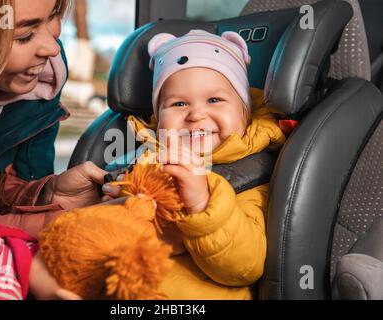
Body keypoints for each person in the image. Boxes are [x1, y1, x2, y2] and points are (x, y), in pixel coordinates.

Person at [103, 30, 287, 299]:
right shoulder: (147, 156)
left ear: (245, 113)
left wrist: (203, 204)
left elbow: (245, 267)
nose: (196, 114)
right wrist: (123, 200)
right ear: (158, 116)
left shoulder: (255, 172)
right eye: (178, 103)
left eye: (214, 100)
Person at [0, 0, 108, 238]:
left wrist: (51, 194)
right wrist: (55, 224)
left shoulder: (35, 97)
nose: (53, 48)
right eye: (25, 35)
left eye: (53, 15)